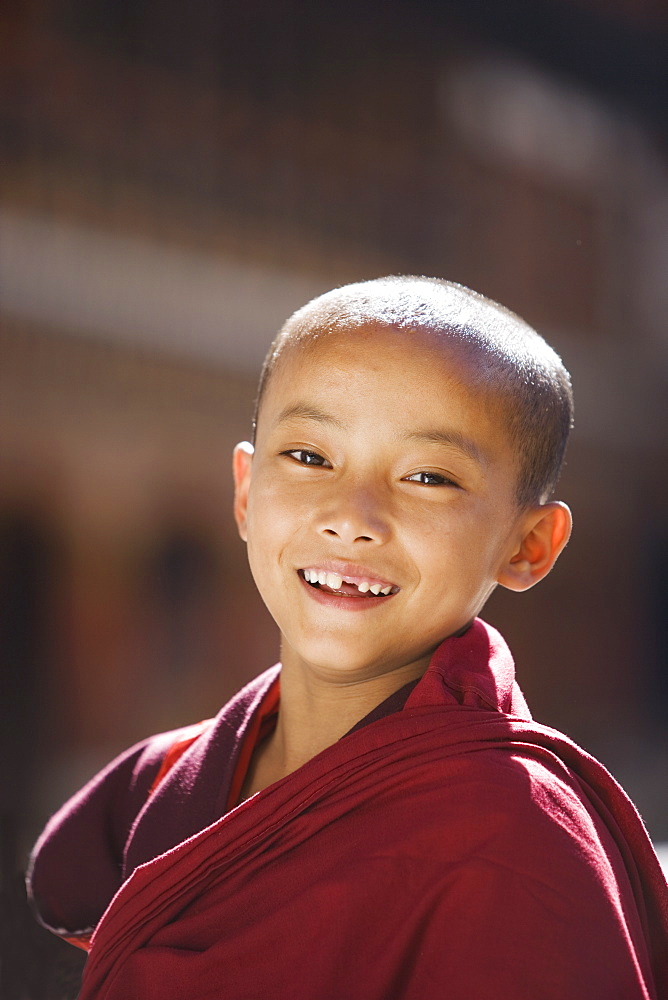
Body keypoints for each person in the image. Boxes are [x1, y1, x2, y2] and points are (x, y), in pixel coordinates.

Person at [28, 277, 668, 999]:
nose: (351, 516)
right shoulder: (168, 781)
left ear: (528, 546)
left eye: (428, 476)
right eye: (308, 457)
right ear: (244, 491)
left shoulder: (519, 845)